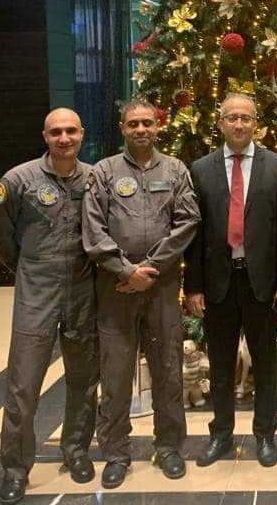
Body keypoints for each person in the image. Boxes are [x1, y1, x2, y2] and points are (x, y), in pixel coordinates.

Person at [82, 98, 200, 488]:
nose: (141, 130)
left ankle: (169, 448)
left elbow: (187, 222)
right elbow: (93, 229)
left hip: (161, 286)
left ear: (157, 126)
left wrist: (150, 268)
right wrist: (126, 270)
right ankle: (116, 452)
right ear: (122, 128)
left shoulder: (176, 170)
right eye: (133, 124)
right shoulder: (103, 172)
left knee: (168, 369)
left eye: (147, 123)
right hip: (115, 286)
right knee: (115, 375)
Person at [0, 108, 99, 503]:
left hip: (83, 288)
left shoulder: (95, 178)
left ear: (81, 134)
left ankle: (77, 450)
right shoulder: (18, 180)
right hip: (37, 291)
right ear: (45, 136)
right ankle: (15, 468)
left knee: (84, 378)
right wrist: (27, 266)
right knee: (24, 383)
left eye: (71, 131)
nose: (64, 138)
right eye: (56, 132)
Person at [185, 92, 277, 468]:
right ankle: (221, 433)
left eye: (246, 117)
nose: (239, 124)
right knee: (220, 364)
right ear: (220, 123)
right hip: (218, 283)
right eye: (232, 118)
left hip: (262, 283)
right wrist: (193, 286)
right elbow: (194, 233)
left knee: (265, 363)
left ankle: (265, 434)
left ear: (256, 123)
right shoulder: (201, 169)